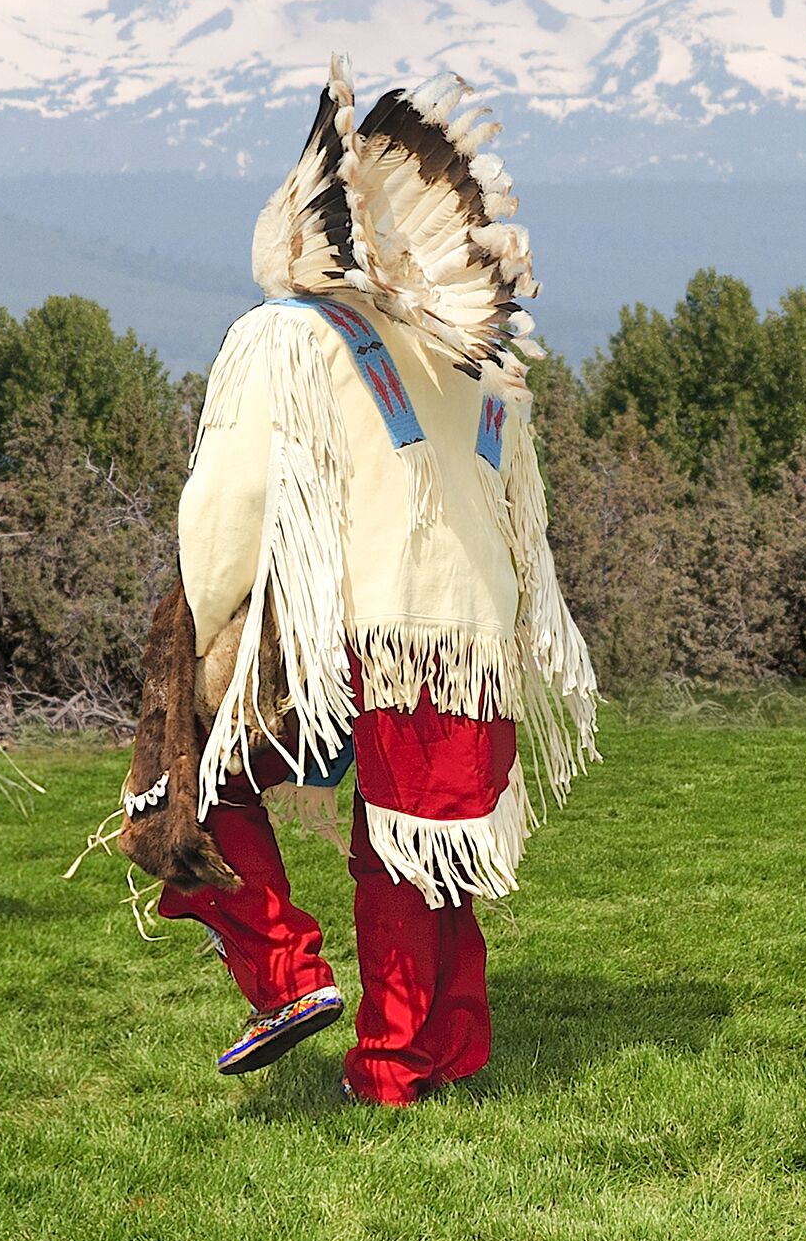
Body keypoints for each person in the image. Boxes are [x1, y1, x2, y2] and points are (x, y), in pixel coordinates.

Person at [120, 59, 599, 1104]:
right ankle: (431, 1048)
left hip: (351, 630)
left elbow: (225, 509)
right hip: (468, 637)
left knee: (187, 784)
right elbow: (523, 516)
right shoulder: (479, 358)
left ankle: (294, 977)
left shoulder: (284, 335)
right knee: (422, 856)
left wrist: (207, 625)